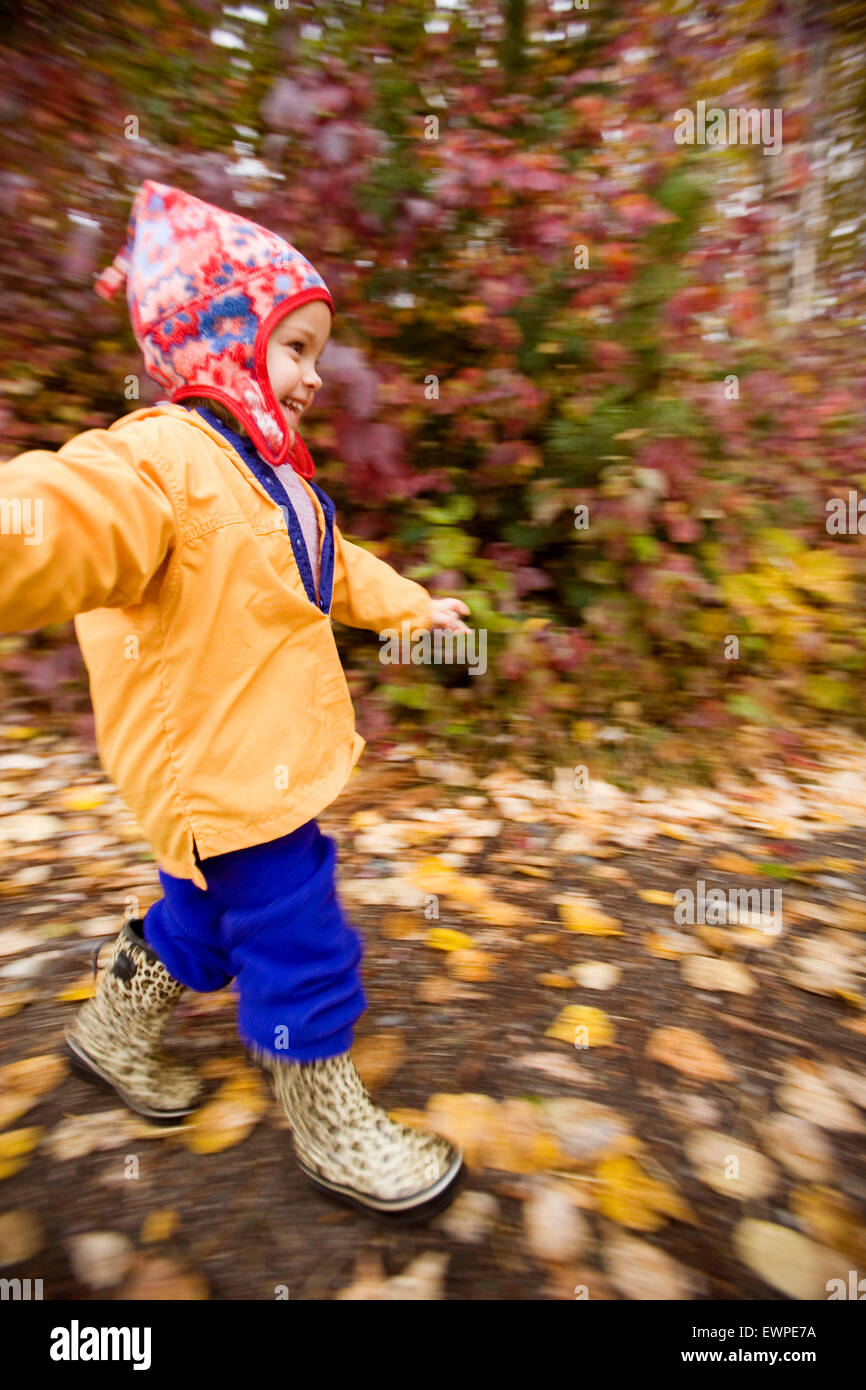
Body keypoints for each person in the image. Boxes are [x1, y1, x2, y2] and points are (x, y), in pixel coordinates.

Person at [0, 181, 471, 1221]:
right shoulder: (161, 458)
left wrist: (409, 609)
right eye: (292, 347)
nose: (310, 374)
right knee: (298, 928)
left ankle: (112, 1034)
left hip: (248, 760)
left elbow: (334, 564)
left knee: (205, 921)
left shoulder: (278, 481)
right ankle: (329, 1121)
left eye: (314, 349)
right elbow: (70, 516)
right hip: (217, 766)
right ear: (218, 338)